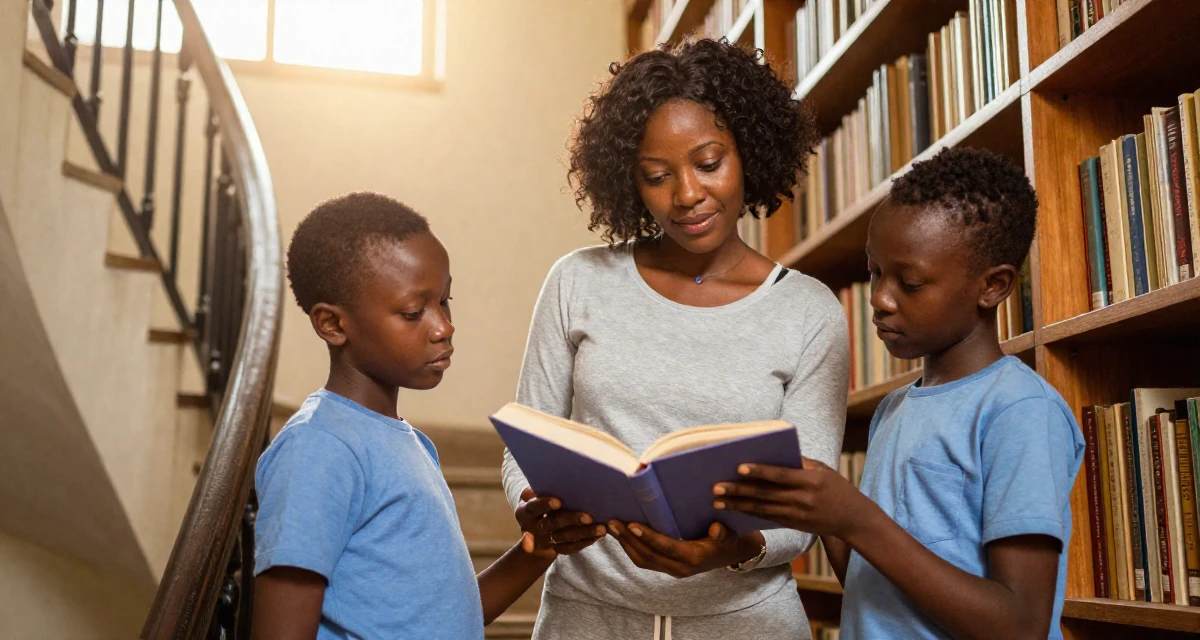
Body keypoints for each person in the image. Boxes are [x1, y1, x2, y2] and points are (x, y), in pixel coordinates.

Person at [502, 39, 849, 639]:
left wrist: (731, 550)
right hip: (586, 618)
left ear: (750, 153)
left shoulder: (809, 311)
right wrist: (531, 506)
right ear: (630, 182)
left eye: (709, 163)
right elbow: (524, 447)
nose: (686, 195)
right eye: (657, 177)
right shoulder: (576, 282)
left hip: (749, 623)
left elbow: (806, 504)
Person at [713, 148, 1086, 639]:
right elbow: (872, 589)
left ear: (993, 286)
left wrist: (855, 516)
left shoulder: (1020, 411)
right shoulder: (895, 408)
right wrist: (821, 508)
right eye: (874, 273)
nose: (880, 300)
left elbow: (1019, 626)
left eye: (909, 283)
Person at [251, 193, 602, 639]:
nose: (444, 326)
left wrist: (538, 550)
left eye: (445, 301)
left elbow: (446, 619)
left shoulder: (408, 443)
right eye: (414, 312)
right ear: (333, 325)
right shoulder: (317, 449)